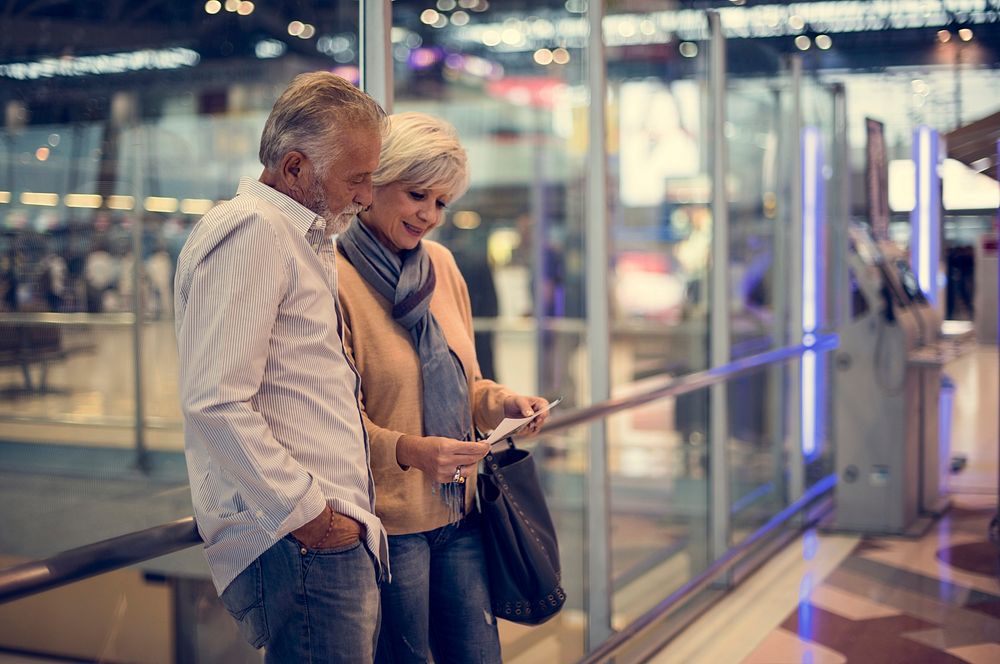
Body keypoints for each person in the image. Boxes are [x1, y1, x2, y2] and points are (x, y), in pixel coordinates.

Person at [174, 71, 388, 663]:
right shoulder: (253, 232)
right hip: (303, 542)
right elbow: (215, 402)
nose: (368, 195)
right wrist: (311, 518)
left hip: (321, 535)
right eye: (358, 179)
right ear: (294, 168)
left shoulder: (300, 237)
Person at [335, 112, 551, 664]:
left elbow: (467, 382)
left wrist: (504, 403)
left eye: (441, 202)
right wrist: (409, 450)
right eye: (416, 195)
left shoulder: (442, 266)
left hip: (461, 511)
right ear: (374, 183)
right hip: (391, 525)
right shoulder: (331, 276)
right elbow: (334, 421)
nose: (429, 215)